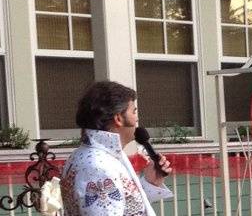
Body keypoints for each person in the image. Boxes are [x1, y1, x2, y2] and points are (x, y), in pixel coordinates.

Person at [60, 81, 174, 215]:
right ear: (118, 118)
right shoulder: (98, 167)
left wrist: (151, 181)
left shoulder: (101, 156)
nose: (137, 119)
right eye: (134, 111)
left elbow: (125, 207)